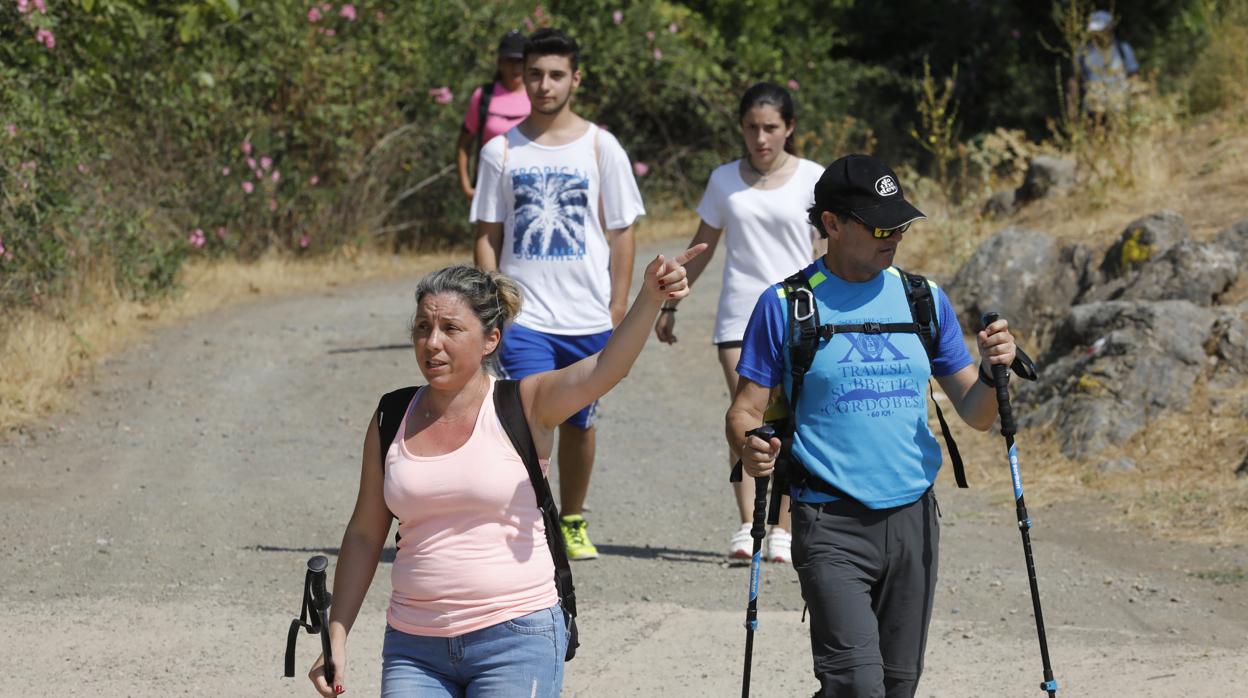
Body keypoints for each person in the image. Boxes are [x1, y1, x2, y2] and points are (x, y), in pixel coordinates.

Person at [307, 245, 705, 697]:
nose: (432, 342)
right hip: (413, 646)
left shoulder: (525, 403)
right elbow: (364, 533)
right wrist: (335, 635)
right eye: (423, 327)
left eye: (450, 328)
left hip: (516, 637)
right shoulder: (391, 414)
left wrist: (649, 298)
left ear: (491, 339)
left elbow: (607, 369)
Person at [726, 154, 1017, 697]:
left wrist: (997, 372)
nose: (895, 237)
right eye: (881, 226)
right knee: (859, 686)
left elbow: (976, 414)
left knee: (897, 688)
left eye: (901, 224)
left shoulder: (923, 300)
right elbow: (745, 408)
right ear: (831, 223)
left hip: (913, 520)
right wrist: (750, 445)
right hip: (828, 520)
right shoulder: (787, 304)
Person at [471, 28, 645, 560]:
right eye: (534, 75)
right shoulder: (501, 149)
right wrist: (495, 304)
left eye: (555, 75)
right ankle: (527, 518)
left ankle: (571, 518)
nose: (544, 85)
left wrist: (616, 307)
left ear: (575, 78)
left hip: (587, 316)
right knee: (524, 419)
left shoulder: (601, 146)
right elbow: (487, 233)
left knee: (580, 422)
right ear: (522, 77)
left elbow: (623, 231)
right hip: (525, 317)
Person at [653, 81, 824, 563]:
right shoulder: (724, 179)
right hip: (739, 315)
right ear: (741, 130)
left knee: (788, 420)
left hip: (798, 312)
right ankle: (749, 523)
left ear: (789, 128)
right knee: (744, 417)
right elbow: (701, 247)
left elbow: (835, 248)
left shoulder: (815, 178)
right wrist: (670, 303)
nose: (761, 138)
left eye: (771, 128)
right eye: (752, 128)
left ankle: (783, 529)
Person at [456, 30, 531, 202]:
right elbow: (463, 145)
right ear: (499, 62)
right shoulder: (483, 96)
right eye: (509, 61)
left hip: (529, 194)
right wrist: (467, 187)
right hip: (489, 193)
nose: (515, 67)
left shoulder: (538, 96)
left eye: (520, 61)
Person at [1070, 9, 1140, 117]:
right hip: (1093, 114)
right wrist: (1072, 108)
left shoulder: (1123, 49)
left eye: (1101, 31)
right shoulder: (1083, 53)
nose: (1098, 36)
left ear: (1110, 29)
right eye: (1095, 32)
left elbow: (1134, 78)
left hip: (1121, 113)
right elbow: (1075, 80)